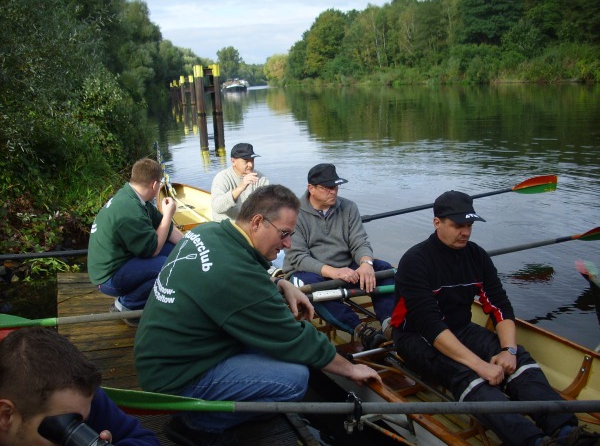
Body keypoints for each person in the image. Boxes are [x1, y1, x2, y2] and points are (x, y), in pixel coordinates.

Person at [134, 184, 381, 446]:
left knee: (268, 349)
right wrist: (351, 369)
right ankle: (197, 426)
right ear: (257, 222)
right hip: (175, 379)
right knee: (294, 379)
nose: (287, 245)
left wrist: (279, 283)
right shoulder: (235, 275)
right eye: (284, 234)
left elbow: (240, 269)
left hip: (159, 356)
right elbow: (296, 339)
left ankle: (237, 407)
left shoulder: (209, 231)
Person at [391, 190, 595, 446]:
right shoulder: (415, 261)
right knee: (468, 375)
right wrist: (480, 364)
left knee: (519, 359)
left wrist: (508, 350)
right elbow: (430, 326)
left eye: (469, 225)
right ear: (437, 223)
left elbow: (499, 305)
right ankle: (532, 441)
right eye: (457, 226)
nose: (465, 232)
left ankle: (565, 430)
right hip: (415, 337)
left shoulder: (477, 256)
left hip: (460, 328)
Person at [283, 163, 396, 337]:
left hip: (345, 267)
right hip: (306, 271)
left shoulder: (349, 207)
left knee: (385, 270)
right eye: (327, 188)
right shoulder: (293, 213)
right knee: (315, 287)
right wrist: (333, 272)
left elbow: (360, 241)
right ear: (311, 188)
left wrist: (366, 263)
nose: (333, 191)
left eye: (336, 186)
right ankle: (360, 330)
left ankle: (389, 324)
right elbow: (298, 257)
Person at [0, 327, 160, 446]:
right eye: (59, 427)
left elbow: (145, 439)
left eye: (83, 421)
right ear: (5, 415)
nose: (78, 426)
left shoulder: (78, 397)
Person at [87, 158, 183, 325]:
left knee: (176, 253)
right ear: (154, 185)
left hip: (123, 260)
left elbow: (165, 229)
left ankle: (137, 297)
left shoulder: (135, 197)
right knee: (166, 266)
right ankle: (126, 306)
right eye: (159, 184)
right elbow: (153, 250)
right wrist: (169, 214)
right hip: (108, 278)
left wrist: (188, 245)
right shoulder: (130, 212)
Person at [210, 142, 270, 222]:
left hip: (249, 226)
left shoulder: (261, 179)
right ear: (233, 161)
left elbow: (269, 206)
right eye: (246, 161)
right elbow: (217, 207)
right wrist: (240, 188)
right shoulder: (222, 178)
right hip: (225, 226)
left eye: (252, 160)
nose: (250, 165)